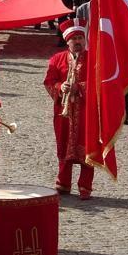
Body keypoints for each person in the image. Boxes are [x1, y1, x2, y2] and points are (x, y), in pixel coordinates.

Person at [43, 18, 94, 199]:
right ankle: (63, 183)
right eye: (75, 39)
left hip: (86, 112)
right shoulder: (57, 59)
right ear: (68, 41)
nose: (78, 42)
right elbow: (49, 81)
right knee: (63, 147)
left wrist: (79, 87)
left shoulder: (93, 58)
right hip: (63, 112)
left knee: (87, 148)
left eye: (81, 38)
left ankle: (85, 186)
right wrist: (60, 87)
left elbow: (99, 83)